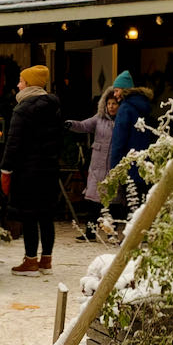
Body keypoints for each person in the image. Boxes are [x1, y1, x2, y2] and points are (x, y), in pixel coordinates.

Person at [0, 64, 62, 276]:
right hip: (49, 169)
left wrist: (6, 169)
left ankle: (30, 261)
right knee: (46, 215)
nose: (18, 84)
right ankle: (46, 260)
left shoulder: (23, 109)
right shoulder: (54, 108)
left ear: (29, 84)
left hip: (27, 171)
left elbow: (13, 143)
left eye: (21, 81)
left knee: (29, 215)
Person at [64, 86, 120, 241]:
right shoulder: (99, 118)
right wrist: (71, 124)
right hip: (97, 165)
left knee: (111, 202)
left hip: (113, 167)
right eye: (108, 103)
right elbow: (83, 125)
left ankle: (111, 234)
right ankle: (90, 233)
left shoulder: (122, 121)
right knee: (92, 201)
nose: (111, 106)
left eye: (114, 104)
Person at [108, 71, 156, 214]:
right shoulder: (144, 106)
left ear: (124, 90)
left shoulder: (125, 108)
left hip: (129, 166)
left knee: (131, 207)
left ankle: (133, 236)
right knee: (143, 207)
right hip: (145, 165)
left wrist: (115, 169)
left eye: (117, 91)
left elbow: (119, 140)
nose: (115, 95)